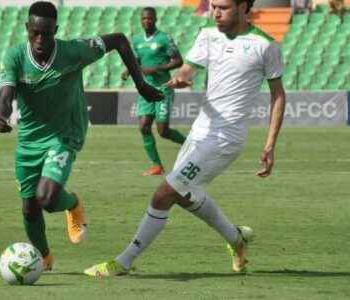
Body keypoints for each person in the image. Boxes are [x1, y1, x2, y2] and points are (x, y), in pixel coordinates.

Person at [85, 0, 286, 276]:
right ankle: (236, 239)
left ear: (243, 7)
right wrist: (180, 79)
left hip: (226, 137)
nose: (215, 12)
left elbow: (278, 95)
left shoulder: (265, 45)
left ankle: (123, 262)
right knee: (185, 195)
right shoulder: (207, 35)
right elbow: (187, 69)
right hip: (200, 130)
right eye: (213, 6)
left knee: (165, 193)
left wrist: (269, 145)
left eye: (223, 7)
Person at [0, 1, 163, 271]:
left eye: (46, 33)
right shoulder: (14, 56)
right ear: (27, 28)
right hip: (29, 139)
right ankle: (44, 257)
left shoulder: (73, 51)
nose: (39, 39)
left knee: (47, 199)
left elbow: (119, 40)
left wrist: (141, 84)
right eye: (34, 32)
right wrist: (0, 115)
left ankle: (73, 203)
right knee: (29, 207)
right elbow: (6, 95)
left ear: (55, 30)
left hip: (65, 133)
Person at [123, 7, 187, 176]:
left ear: (155, 19)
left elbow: (178, 61)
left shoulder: (164, 38)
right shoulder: (137, 40)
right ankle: (157, 165)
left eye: (150, 18)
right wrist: (128, 69)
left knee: (163, 131)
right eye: (144, 19)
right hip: (146, 89)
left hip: (163, 88)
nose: (147, 21)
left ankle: (190, 145)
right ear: (141, 20)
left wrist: (157, 68)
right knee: (144, 126)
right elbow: (136, 59)